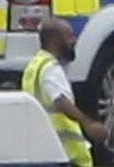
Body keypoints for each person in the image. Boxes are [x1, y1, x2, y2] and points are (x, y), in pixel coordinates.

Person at [22, 18, 108, 167]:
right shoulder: (51, 68)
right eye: (69, 36)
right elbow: (60, 100)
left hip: (43, 148)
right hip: (65, 152)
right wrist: (88, 123)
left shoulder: (34, 65)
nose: (73, 41)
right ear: (55, 40)